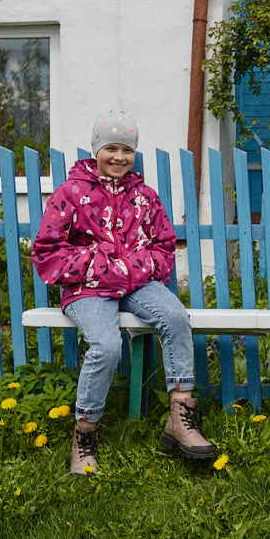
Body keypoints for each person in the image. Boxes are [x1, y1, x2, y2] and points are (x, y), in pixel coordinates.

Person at [32, 110, 216, 476]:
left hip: (136, 283)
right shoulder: (71, 193)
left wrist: (130, 270)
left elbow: (164, 246)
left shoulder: (145, 196)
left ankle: (180, 417)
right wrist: (98, 265)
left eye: (127, 150)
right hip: (87, 288)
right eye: (111, 148)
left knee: (177, 318)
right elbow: (47, 251)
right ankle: (85, 437)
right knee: (107, 345)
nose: (119, 157)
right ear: (96, 149)